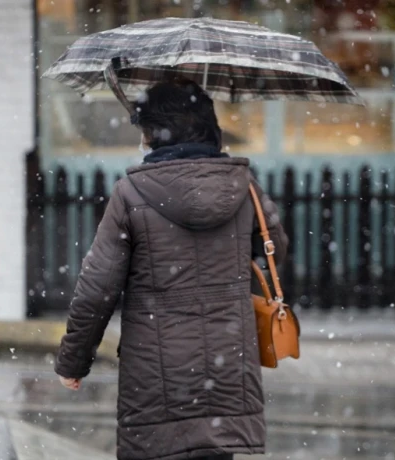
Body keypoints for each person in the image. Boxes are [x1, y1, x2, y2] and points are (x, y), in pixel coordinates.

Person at [55, 79, 289, 460]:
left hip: (155, 377)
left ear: (154, 133)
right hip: (227, 368)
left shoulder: (130, 194)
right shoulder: (244, 186)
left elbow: (98, 287)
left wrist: (74, 360)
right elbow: (274, 254)